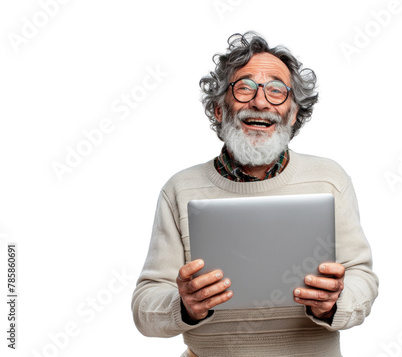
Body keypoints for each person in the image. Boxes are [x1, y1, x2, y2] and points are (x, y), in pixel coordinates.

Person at [132, 32, 378, 357]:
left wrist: (333, 304)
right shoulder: (179, 189)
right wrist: (185, 306)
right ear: (219, 109)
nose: (260, 102)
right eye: (245, 87)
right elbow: (144, 308)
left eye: (276, 90)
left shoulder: (330, 180)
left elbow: (363, 277)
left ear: (292, 114)